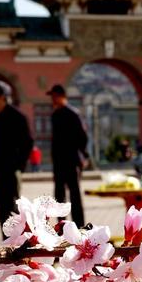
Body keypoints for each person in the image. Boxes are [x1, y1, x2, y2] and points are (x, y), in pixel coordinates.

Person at [0, 82, 33, 237]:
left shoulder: (17, 117)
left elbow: (27, 143)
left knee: (12, 208)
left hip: (10, 171)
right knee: (1, 208)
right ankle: (6, 242)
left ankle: (18, 242)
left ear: (1, 97)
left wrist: (18, 165)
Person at [48, 84, 87, 227]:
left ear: (61, 96)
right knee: (59, 196)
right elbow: (55, 141)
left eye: (54, 96)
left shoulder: (73, 114)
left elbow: (82, 137)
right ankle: (62, 226)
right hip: (59, 161)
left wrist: (82, 155)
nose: (52, 99)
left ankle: (80, 226)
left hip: (72, 160)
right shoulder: (55, 115)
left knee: (74, 194)